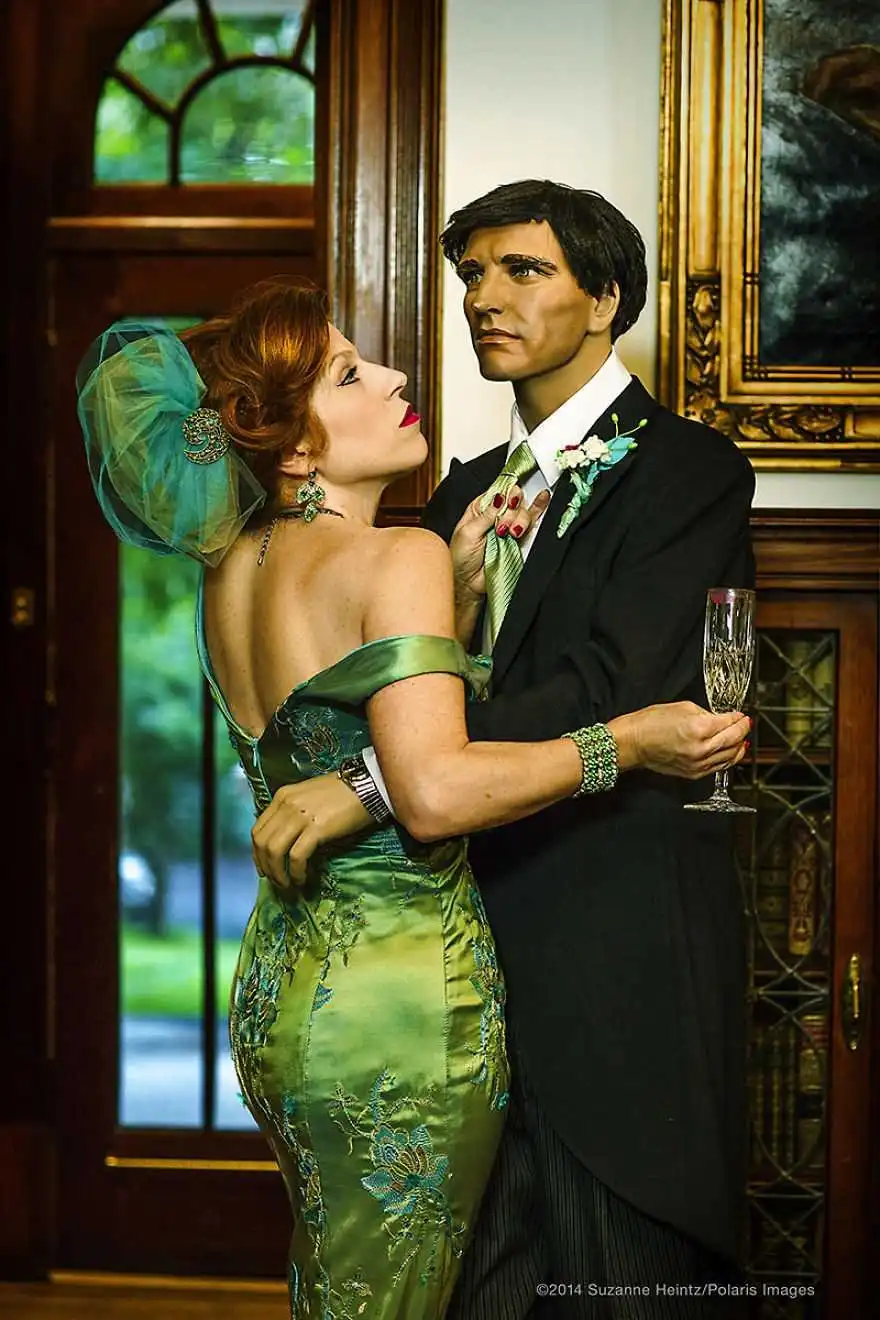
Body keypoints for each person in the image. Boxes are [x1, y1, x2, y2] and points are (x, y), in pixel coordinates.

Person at [75, 276, 749, 1320]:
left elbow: (339, 718)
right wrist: (625, 742)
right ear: (294, 451)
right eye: (350, 375)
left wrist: (460, 599)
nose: (394, 378)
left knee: (345, 1284)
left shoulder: (230, 568)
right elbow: (432, 793)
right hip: (396, 999)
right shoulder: (400, 553)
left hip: (283, 986)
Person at [252, 181, 757, 1318]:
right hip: (454, 978)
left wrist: (371, 784)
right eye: (473, 274)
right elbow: (409, 696)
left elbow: (612, 689)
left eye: (523, 271)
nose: (485, 297)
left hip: (611, 958)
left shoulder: (689, 471)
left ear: (605, 299)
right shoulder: (462, 494)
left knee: (624, 1288)